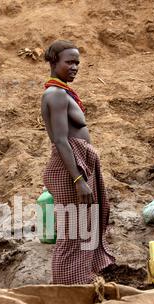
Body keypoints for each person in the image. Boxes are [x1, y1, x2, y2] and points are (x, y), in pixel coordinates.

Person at [41, 39, 115, 284]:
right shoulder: (56, 95)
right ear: (54, 62)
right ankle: (65, 291)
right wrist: (78, 179)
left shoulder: (60, 92)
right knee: (73, 234)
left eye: (77, 63)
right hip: (71, 170)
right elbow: (61, 140)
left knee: (81, 230)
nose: (74, 67)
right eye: (69, 62)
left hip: (78, 165)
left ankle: (79, 283)